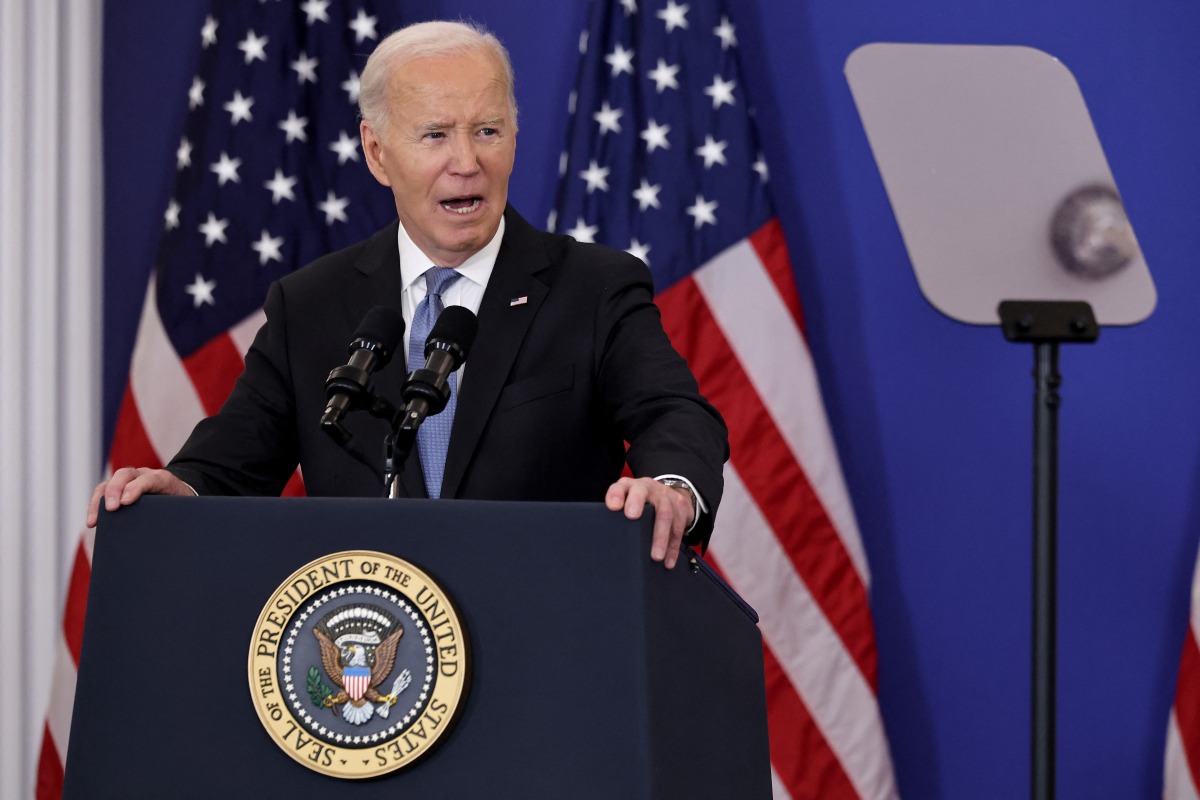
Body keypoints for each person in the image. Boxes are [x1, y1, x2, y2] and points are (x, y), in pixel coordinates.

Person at [87, 20, 727, 570]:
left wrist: (671, 486)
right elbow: (233, 460)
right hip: (369, 670)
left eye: (487, 130)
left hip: (545, 647)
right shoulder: (311, 305)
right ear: (376, 151)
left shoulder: (593, 287)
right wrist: (181, 491)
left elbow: (676, 414)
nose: (466, 161)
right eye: (435, 134)